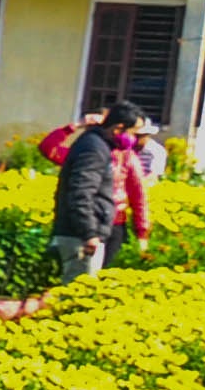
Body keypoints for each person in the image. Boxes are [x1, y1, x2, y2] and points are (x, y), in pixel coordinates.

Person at [43, 100, 152, 280]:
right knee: (80, 286)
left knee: (93, 280)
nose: (135, 139)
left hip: (108, 224)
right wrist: (89, 233)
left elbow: (138, 194)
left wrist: (142, 230)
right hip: (87, 228)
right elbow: (81, 191)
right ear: (118, 128)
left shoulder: (121, 155)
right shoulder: (92, 149)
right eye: (133, 133)